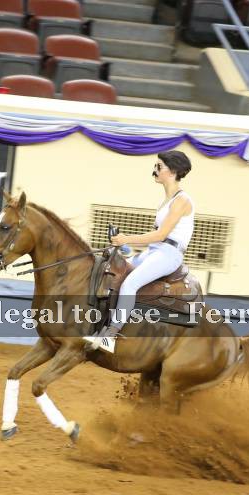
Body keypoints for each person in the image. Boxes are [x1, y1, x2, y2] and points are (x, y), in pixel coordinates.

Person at [84, 150, 194, 354]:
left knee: (130, 283)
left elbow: (161, 235)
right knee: (115, 271)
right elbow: (155, 239)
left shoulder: (182, 200)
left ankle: (111, 335)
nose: (155, 170)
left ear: (172, 171)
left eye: (159, 166)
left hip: (169, 255)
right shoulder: (166, 200)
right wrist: (125, 247)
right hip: (156, 251)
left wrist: (126, 239)